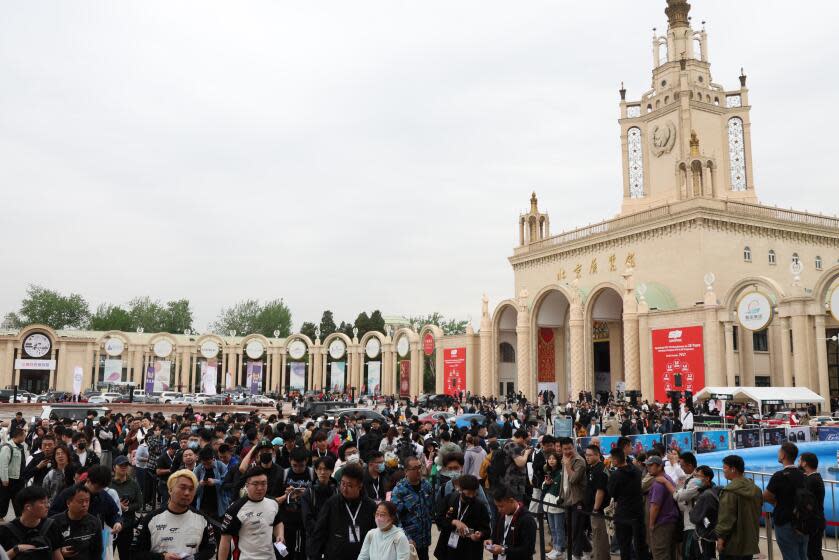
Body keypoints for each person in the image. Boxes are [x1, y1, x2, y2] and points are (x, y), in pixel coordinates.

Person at [131, 469, 216, 560]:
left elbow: (210, 549)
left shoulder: (202, 520)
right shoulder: (150, 520)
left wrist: (194, 558)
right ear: (170, 490)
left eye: (191, 489)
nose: (187, 493)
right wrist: (162, 557)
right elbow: (135, 553)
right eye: (182, 487)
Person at [310, 463, 377, 560]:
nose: (344, 489)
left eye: (349, 485)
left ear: (360, 486)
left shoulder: (370, 506)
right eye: (342, 483)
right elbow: (319, 534)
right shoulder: (332, 503)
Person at [218, 467, 283, 560]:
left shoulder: (273, 503)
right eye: (255, 484)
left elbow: (278, 522)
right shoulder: (235, 509)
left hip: (270, 557)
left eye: (263, 483)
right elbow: (225, 540)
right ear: (247, 485)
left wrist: (280, 534)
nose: (260, 488)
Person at [49, 466, 123, 536]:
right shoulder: (69, 493)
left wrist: (117, 523)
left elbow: (113, 513)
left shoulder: (102, 494)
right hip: (70, 537)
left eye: (102, 488)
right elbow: (52, 515)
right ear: (88, 480)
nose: (99, 490)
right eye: (97, 488)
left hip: (93, 537)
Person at [765, 442, 807, 560]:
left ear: (783, 455)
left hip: (785, 521)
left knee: (790, 555)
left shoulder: (779, 476)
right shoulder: (803, 475)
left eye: (779, 452)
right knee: (802, 554)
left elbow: (766, 495)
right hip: (802, 521)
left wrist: (775, 503)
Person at [434, 474, 491, 560]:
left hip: (470, 551)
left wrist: (480, 534)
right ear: (460, 489)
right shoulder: (450, 499)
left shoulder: (480, 506)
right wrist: (454, 522)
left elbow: (486, 530)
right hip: (448, 549)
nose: (471, 496)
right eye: (468, 493)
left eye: (474, 493)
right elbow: (439, 519)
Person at [716, 454, 762, 560]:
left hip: (732, 545)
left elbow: (726, 518)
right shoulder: (756, 489)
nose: (723, 470)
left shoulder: (729, 491)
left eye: (725, 468)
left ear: (733, 469)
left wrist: (721, 538)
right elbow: (758, 512)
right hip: (750, 542)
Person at [0, 485, 62, 560]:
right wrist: (16, 549)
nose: (48, 505)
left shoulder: (51, 526)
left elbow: (57, 556)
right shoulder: (6, 531)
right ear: (28, 507)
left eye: (47, 502)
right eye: (43, 502)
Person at [391, 455, 434, 560]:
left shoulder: (426, 485)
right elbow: (395, 519)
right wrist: (406, 538)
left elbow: (430, 509)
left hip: (424, 539)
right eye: (414, 469)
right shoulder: (399, 491)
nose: (418, 470)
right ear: (406, 471)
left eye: (420, 467)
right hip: (409, 542)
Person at [608, 447, 648, 560]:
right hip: (638, 510)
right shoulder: (636, 470)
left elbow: (611, 492)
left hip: (623, 512)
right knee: (640, 543)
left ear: (616, 460)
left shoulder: (616, 475)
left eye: (612, 459)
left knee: (624, 544)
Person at [49, 484, 104, 560]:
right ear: (68, 503)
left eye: (87, 501)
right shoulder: (54, 523)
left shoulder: (94, 522)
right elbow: (46, 551)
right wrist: (59, 551)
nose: (84, 505)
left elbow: (97, 553)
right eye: (80, 501)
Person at [485, 484, 537, 560]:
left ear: (511, 501)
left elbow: (528, 550)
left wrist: (503, 550)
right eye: (497, 506)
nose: (499, 510)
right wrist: (491, 541)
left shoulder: (527, 520)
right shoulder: (501, 514)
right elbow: (496, 535)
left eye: (501, 506)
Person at [301, 456, 338, 558]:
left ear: (331, 470)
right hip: (314, 540)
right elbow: (307, 519)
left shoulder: (337, 491)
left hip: (333, 540)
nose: (322, 472)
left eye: (326, 469)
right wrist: (320, 533)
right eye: (320, 469)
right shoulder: (308, 493)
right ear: (315, 470)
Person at [559, 437, 590, 560]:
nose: (567, 451)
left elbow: (573, 479)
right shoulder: (564, 458)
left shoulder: (579, 461)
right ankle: (588, 549)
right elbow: (564, 480)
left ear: (573, 446)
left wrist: (567, 464)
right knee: (573, 527)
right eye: (564, 449)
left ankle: (576, 554)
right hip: (567, 498)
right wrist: (561, 495)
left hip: (578, 499)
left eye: (569, 448)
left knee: (575, 528)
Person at [645, 455, 679, 560]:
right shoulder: (667, 479)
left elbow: (655, 506)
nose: (648, 468)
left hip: (661, 523)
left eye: (651, 465)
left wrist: (651, 525)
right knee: (670, 553)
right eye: (647, 466)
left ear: (660, 467)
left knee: (660, 554)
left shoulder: (658, 484)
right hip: (670, 522)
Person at [110, 455, 143, 560]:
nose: (124, 467)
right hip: (111, 526)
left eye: (126, 465)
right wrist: (116, 505)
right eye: (121, 465)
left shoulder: (133, 484)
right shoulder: (108, 484)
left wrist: (127, 508)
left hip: (127, 525)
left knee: (126, 556)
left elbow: (139, 503)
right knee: (108, 555)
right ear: (114, 468)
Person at [584, 445, 609, 560]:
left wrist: (595, 509)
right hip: (592, 509)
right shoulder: (592, 468)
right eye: (586, 455)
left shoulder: (600, 470)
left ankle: (601, 557)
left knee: (600, 537)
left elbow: (600, 491)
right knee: (595, 536)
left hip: (598, 511)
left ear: (597, 455)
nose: (587, 457)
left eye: (589, 455)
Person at [799, 452, 825, 560]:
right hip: (817, 520)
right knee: (814, 552)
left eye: (800, 461)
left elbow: (806, 503)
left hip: (813, 522)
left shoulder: (811, 481)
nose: (798, 463)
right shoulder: (814, 478)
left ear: (804, 463)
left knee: (813, 553)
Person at [193, 446, 228, 520]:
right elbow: (193, 489)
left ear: (213, 458)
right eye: (204, 464)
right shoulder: (198, 469)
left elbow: (227, 484)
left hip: (219, 505)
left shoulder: (221, 466)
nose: (207, 466)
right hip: (203, 505)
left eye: (209, 463)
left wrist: (215, 482)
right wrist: (200, 484)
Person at [541, 451, 565, 560]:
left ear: (558, 460)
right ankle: (555, 548)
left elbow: (557, 489)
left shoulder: (561, 472)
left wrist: (549, 484)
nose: (551, 460)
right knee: (552, 529)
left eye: (553, 458)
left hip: (557, 504)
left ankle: (560, 549)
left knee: (558, 528)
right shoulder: (549, 472)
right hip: (548, 504)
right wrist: (546, 484)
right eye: (549, 458)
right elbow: (544, 489)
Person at [0, 427, 26, 518]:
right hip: (9, 479)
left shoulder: (20, 447)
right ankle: (1, 518)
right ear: (19, 436)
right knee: (4, 500)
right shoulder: (7, 447)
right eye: (24, 436)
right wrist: (4, 479)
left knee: (18, 500)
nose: (25, 438)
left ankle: (19, 518)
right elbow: (3, 464)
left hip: (18, 479)